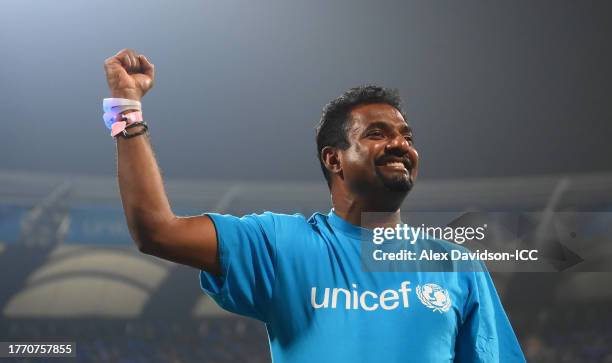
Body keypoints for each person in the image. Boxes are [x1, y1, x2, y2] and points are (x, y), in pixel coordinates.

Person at [104, 48, 526, 362]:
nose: (400, 144)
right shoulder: (279, 244)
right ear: (333, 158)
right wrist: (126, 108)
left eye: (407, 136)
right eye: (377, 133)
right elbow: (155, 230)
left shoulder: (456, 266)